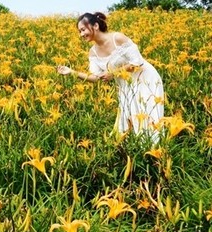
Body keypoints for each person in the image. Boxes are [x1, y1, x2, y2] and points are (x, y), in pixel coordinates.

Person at [56, 12, 164, 142]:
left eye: (83, 29)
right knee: (132, 120)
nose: (81, 34)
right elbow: (95, 78)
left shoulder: (117, 38)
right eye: (79, 31)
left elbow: (137, 62)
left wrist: (113, 74)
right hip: (126, 86)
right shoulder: (93, 52)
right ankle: (140, 149)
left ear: (95, 26)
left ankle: (157, 149)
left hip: (145, 78)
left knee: (149, 116)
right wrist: (71, 72)